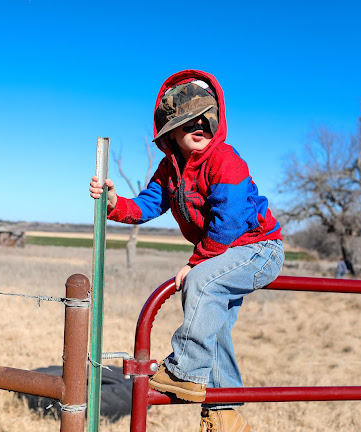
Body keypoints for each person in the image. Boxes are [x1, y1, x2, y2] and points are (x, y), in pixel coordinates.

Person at [89, 70, 284, 431]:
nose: (199, 126)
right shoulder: (170, 169)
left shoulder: (225, 160)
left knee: (202, 282)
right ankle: (226, 410)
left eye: (205, 119)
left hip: (259, 248)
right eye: (187, 121)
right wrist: (115, 203)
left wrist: (197, 262)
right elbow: (147, 205)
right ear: (169, 131)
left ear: (216, 121)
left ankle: (185, 370)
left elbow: (229, 220)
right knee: (215, 323)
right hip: (224, 253)